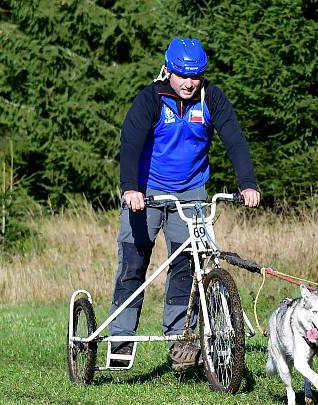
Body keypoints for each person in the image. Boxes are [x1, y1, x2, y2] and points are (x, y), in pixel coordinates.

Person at [108, 37, 260, 371]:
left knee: (186, 266)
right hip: (145, 193)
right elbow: (131, 142)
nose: (189, 83)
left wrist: (247, 183)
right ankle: (119, 337)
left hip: (191, 192)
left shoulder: (211, 98)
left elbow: (234, 138)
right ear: (168, 71)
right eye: (182, 75)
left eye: (195, 76)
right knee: (134, 263)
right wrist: (130, 188)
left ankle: (180, 339)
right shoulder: (151, 99)